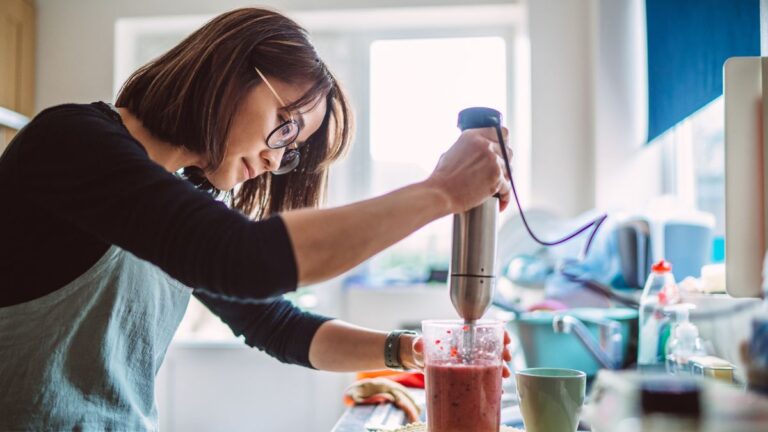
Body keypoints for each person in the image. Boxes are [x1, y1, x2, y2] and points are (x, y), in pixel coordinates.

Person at [0, 7, 513, 430]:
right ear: (231, 72)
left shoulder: (179, 199)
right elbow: (246, 257)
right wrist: (439, 192)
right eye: (286, 126)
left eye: (291, 150)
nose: (274, 160)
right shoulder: (71, 142)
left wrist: (409, 351)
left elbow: (276, 324)